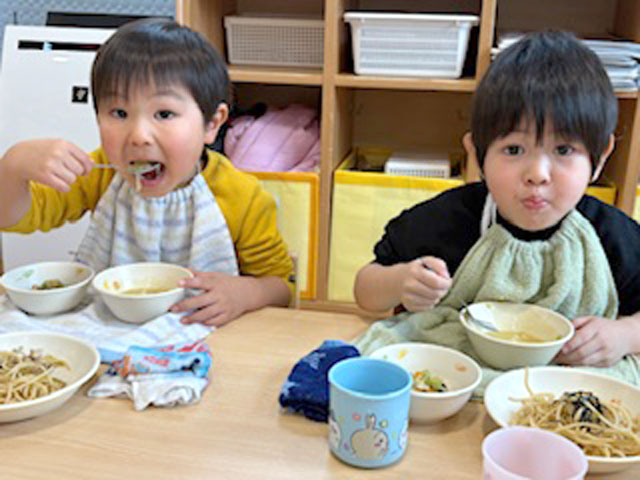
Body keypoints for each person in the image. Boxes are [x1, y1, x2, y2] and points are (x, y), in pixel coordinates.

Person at [353, 30, 640, 370]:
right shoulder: (449, 219)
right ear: (477, 154)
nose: (537, 174)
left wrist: (624, 335)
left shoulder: (611, 235)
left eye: (564, 150)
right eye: (513, 150)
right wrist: (401, 282)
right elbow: (365, 289)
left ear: (600, 156)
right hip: (456, 372)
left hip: (570, 385)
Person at [0, 18, 293, 326]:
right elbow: (11, 218)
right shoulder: (99, 173)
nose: (139, 135)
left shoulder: (242, 195)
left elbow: (281, 286)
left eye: (164, 114)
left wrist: (246, 293)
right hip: (108, 332)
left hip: (205, 338)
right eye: (119, 113)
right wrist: (12, 167)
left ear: (212, 123)